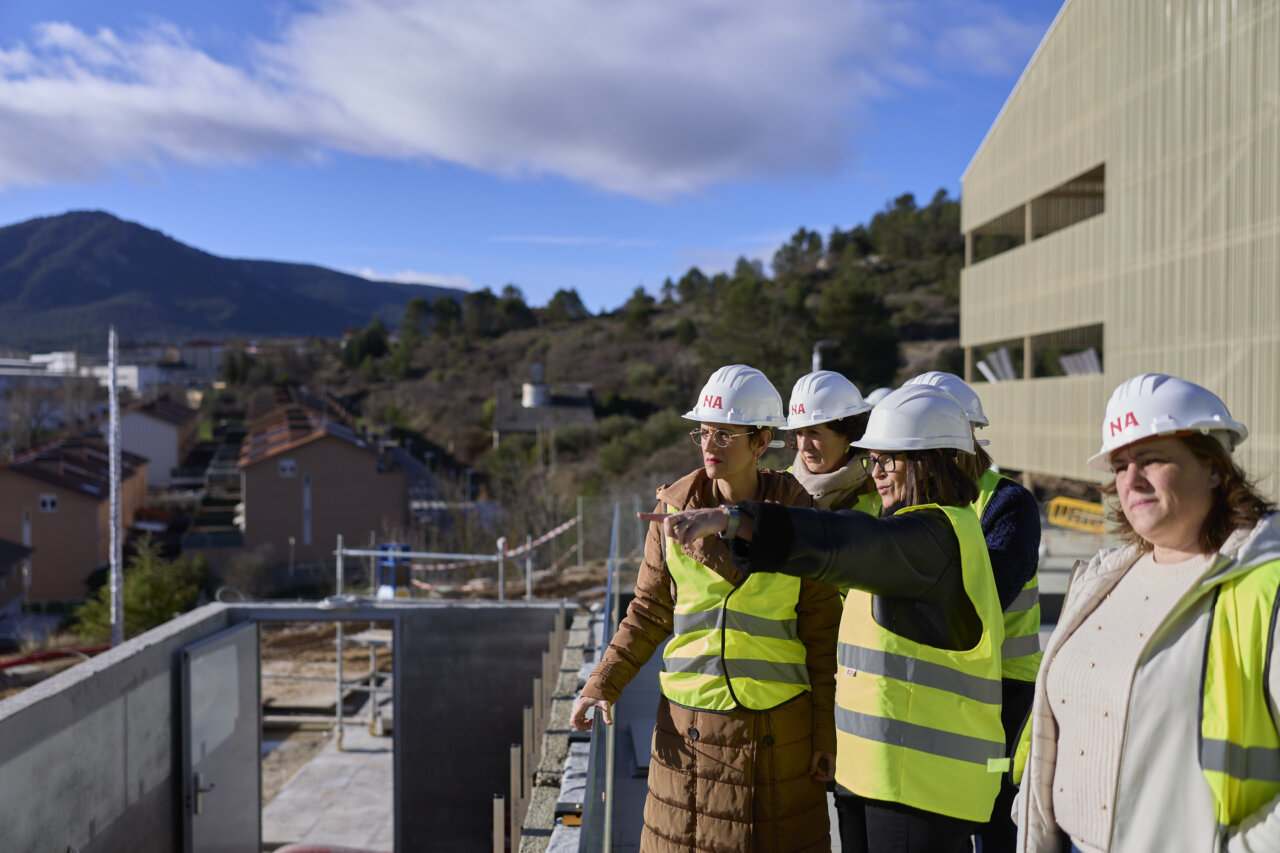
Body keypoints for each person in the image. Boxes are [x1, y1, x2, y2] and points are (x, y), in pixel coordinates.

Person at [650, 385, 1014, 853]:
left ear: (929, 462)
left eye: (888, 461)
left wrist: (735, 521)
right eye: (873, 460)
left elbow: (841, 543)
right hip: (885, 777)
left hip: (919, 787)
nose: (876, 474)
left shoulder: (932, 535)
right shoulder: (929, 531)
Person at [570, 364, 842, 853]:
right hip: (688, 733)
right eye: (703, 431)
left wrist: (826, 736)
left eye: (724, 433)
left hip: (780, 734)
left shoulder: (803, 521)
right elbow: (649, 611)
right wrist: (601, 684)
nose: (709, 443)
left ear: (761, 442)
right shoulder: (670, 514)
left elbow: (822, 638)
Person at [1015, 374, 1280, 852]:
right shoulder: (1101, 581)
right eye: (1120, 465)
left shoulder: (1264, 587)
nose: (1131, 481)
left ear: (1215, 468)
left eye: (1152, 459)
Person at [905, 371, 1042, 853]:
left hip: (1004, 688)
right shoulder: (914, 499)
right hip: (944, 684)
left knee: (994, 808)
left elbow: (985, 599)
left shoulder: (1007, 502)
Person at [786, 370, 878, 513]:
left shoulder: (881, 488)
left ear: (849, 435)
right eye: (798, 433)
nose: (803, 446)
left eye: (814, 432)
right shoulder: (781, 485)